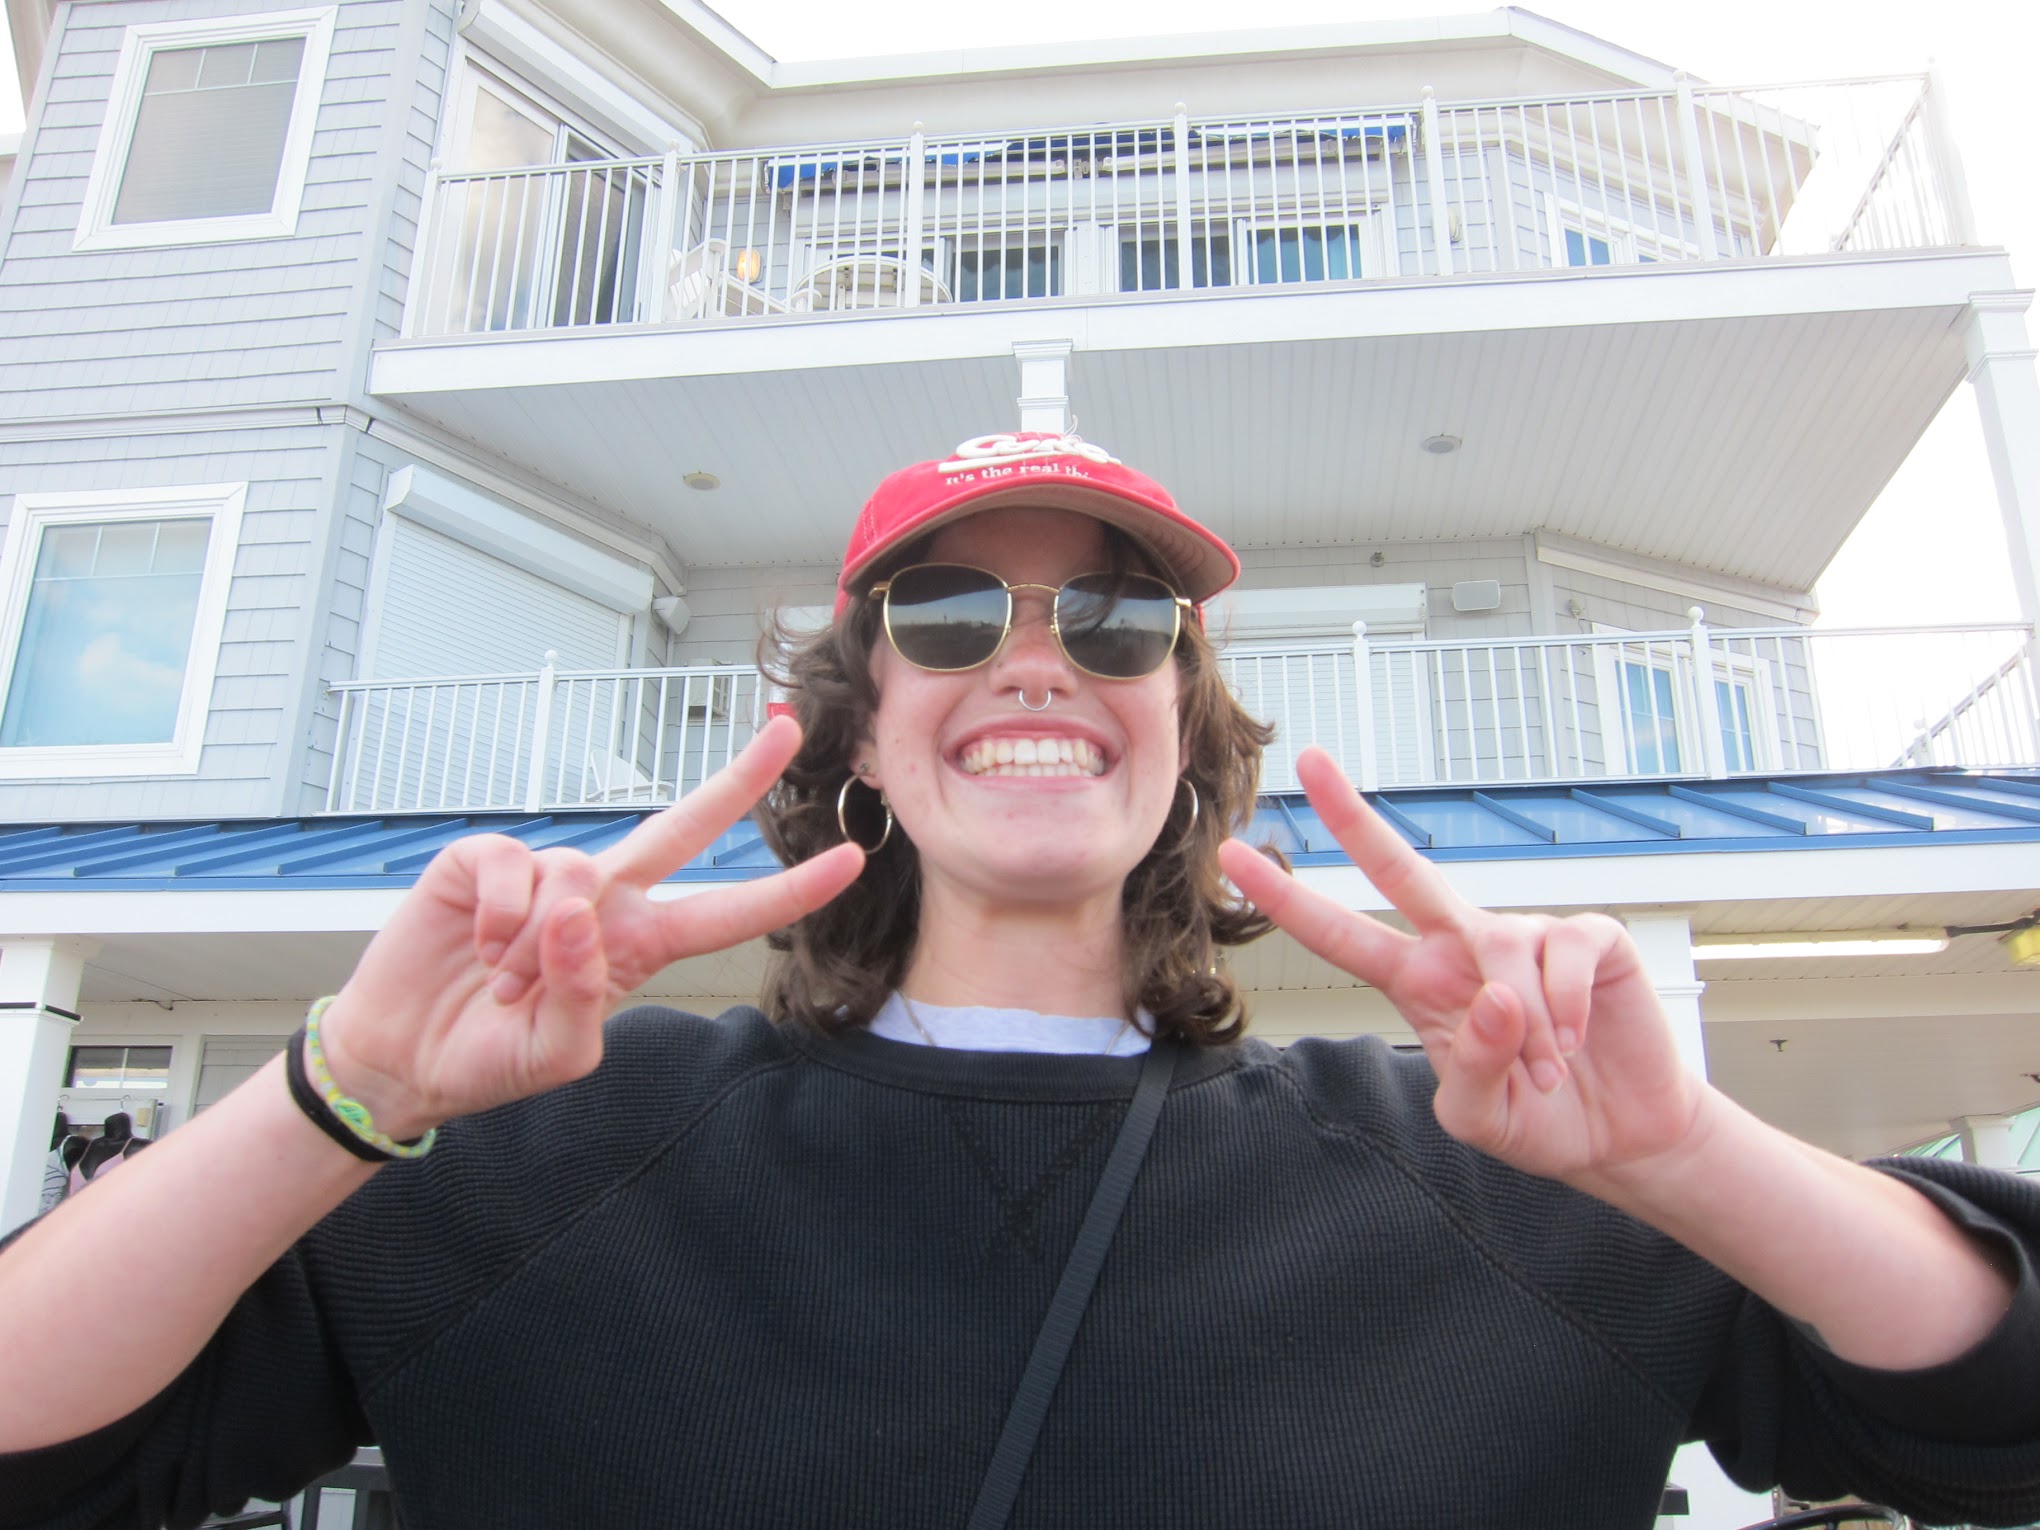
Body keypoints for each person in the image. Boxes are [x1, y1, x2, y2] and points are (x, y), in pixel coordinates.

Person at [1, 432, 2037, 1530]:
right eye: (954, 615)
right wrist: (340, 1090)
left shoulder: (1509, 1175)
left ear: (1181, 738)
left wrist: (1685, 1161)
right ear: (864, 742)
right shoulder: (546, 1149)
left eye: (1122, 621)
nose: (1043, 656)